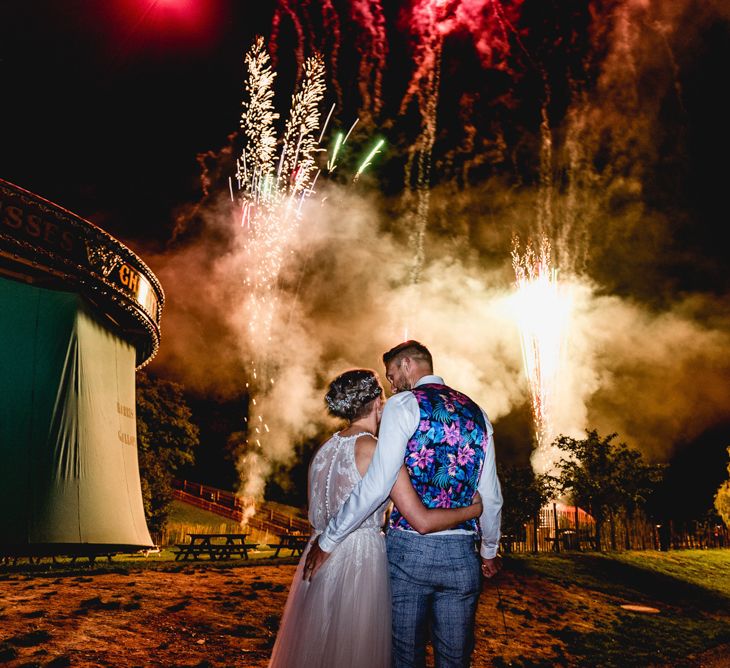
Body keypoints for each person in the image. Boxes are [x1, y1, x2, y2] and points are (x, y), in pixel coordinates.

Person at [305, 341, 503, 668]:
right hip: (462, 555)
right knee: (456, 659)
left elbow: (379, 481)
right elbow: (491, 494)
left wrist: (329, 539)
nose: (392, 385)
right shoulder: (477, 413)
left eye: (393, 375)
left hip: (409, 553)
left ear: (408, 365)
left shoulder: (403, 405)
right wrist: (489, 551)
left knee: (404, 657)